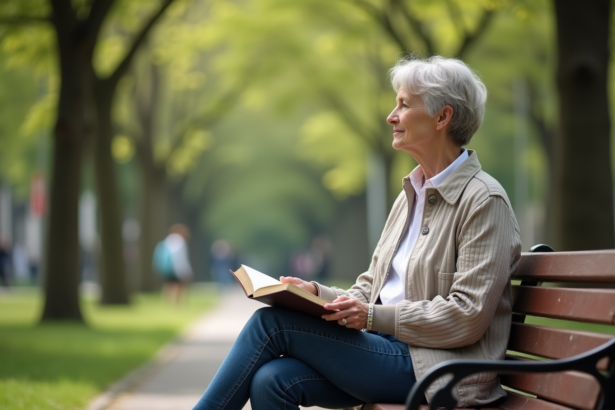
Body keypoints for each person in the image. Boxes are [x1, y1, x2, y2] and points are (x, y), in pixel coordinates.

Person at [192, 56, 521, 410]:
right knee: (272, 380)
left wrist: (371, 317)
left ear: (443, 117)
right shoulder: (410, 195)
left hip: (438, 369)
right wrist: (316, 294)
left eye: (405, 104)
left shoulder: (484, 200)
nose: (391, 116)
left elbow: (467, 316)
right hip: (387, 350)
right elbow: (371, 288)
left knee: (270, 324)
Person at [155, 224, 193, 304]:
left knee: (169, 285)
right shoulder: (179, 241)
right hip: (176, 268)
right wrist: (185, 271)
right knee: (179, 285)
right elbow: (180, 258)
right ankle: (177, 303)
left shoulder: (167, 240)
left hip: (166, 267)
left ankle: (168, 302)